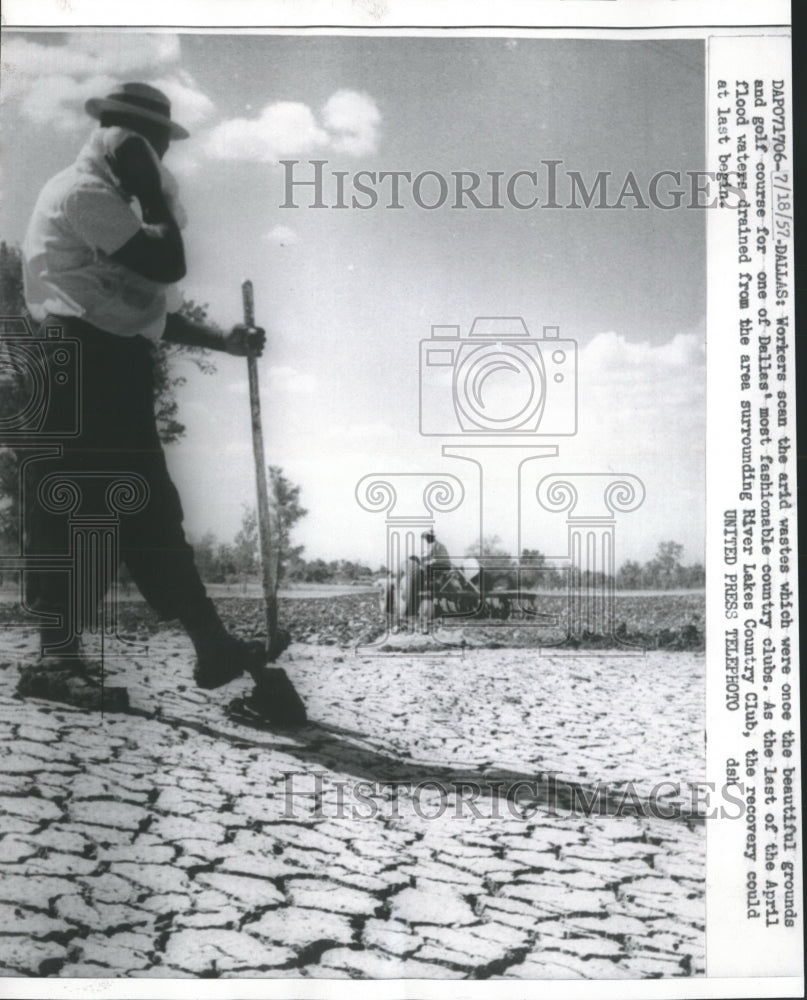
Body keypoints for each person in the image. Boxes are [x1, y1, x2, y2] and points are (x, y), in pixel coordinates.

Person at [17, 82, 305, 720]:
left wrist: (223, 341)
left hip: (113, 358)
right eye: (152, 148)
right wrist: (148, 182)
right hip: (71, 359)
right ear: (119, 140)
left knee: (150, 510)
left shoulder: (114, 201)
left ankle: (211, 646)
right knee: (67, 509)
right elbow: (168, 263)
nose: (163, 162)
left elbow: (144, 309)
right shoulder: (84, 193)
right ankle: (52, 662)